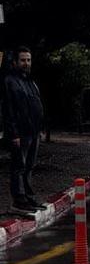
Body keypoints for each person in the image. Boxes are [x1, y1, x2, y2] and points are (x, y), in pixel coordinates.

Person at [2, 47, 46, 214]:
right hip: (20, 133)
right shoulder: (10, 81)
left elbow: (36, 106)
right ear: (15, 62)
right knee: (18, 166)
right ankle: (18, 200)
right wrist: (14, 134)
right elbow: (9, 110)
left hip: (34, 132)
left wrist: (40, 129)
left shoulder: (30, 81)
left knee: (29, 166)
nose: (26, 63)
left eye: (28, 60)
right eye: (23, 60)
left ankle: (28, 196)